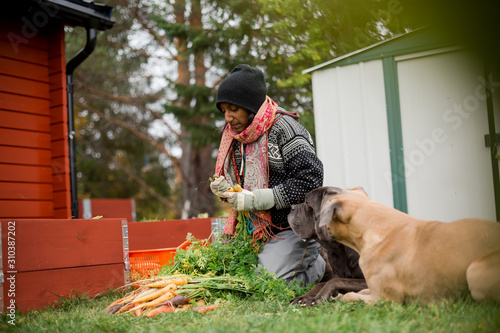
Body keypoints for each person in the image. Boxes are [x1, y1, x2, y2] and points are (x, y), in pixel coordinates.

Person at [210, 64, 325, 285]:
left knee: (265, 282)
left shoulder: (286, 129)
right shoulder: (238, 136)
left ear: (250, 105)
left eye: (233, 109)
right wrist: (225, 189)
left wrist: (256, 200)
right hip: (259, 230)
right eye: (224, 110)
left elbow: (310, 181)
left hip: (294, 227)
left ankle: (319, 265)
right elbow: (242, 183)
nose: (227, 118)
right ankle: (282, 260)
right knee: (231, 277)